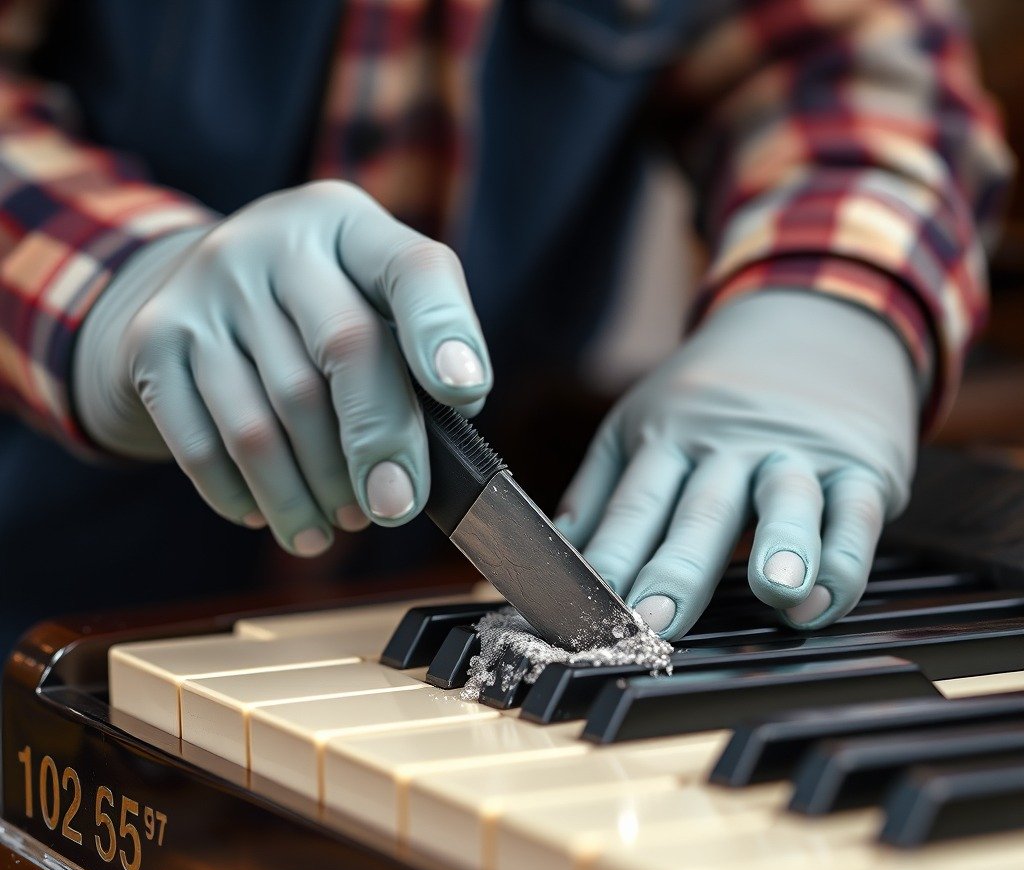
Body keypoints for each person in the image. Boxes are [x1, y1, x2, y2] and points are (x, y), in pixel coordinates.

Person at [0, 0, 1012, 657]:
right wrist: (117, 285)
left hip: (403, 619)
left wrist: (828, 305)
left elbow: (851, 64)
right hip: (39, 603)